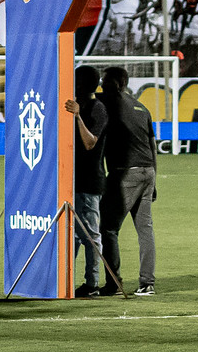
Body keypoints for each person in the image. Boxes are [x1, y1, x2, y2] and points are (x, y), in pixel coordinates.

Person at [98, 66, 157, 296]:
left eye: (105, 80)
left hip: (125, 173)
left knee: (108, 228)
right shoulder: (141, 107)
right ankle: (147, 283)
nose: (101, 84)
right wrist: (155, 180)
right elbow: (152, 146)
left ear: (117, 83)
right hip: (148, 171)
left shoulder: (109, 101)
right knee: (145, 229)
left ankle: (113, 283)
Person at [63, 65, 112, 296]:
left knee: (91, 235)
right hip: (70, 180)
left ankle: (92, 285)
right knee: (71, 233)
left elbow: (90, 142)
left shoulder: (97, 108)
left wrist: (77, 115)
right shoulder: (75, 106)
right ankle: (64, 278)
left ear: (82, 84)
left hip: (90, 181)